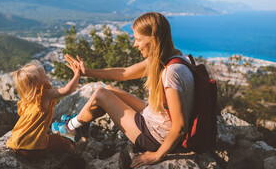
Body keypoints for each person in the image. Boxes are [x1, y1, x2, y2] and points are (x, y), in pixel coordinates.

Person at [52, 12, 194, 167]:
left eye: (138, 39)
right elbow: (124, 73)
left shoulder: (170, 73)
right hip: (156, 118)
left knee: (100, 94)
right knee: (109, 89)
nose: (135, 44)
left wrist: (156, 156)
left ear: (154, 38)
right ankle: (78, 123)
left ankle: (70, 127)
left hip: (154, 137)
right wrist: (88, 72)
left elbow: (180, 126)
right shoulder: (174, 58)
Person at [6, 58, 80, 160]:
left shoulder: (26, 99)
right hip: (33, 150)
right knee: (58, 139)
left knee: (48, 136)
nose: (48, 77)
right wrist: (77, 74)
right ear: (37, 84)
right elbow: (67, 90)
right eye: (45, 76)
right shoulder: (45, 94)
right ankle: (75, 150)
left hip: (17, 144)